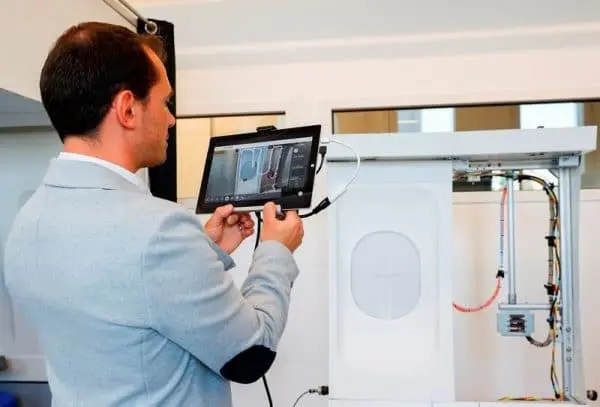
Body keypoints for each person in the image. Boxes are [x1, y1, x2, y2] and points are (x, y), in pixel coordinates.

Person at [2, 22, 304, 406]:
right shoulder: (158, 230)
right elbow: (250, 356)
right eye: (164, 102)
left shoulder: (27, 222)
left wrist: (202, 252)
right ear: (128, 109)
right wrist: (275, 251)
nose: (171, 119)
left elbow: (121, 296)